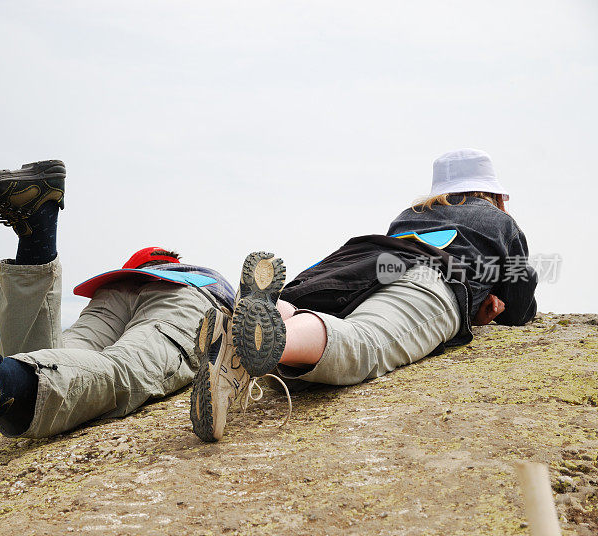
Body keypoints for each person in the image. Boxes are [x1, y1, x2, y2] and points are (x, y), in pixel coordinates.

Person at [190, 148, 537, 442]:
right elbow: (519, 301)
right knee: (365, 339)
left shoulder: (411, 214)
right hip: (433, 276)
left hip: (363, 259)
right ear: (495, 195)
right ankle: (265, 341)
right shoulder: (499, 222)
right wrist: (487, 308)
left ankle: (267, 314)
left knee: (312, 306)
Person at [0, 160, 234, 485]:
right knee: (125, 367)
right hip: (191, 294)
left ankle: (38, 228)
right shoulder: (197, 275)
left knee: (53, 352)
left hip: (112, 288)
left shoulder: (124, 281)